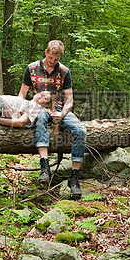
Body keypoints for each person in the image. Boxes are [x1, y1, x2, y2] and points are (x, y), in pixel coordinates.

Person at [19, 40, 86, 199]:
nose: (52, 62)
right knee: (41, 116)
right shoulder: (31, 69)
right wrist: (28, 106)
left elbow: (70, 99)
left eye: (56, 60)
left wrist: (62, 113)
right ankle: (44, 167)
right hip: (39, 109)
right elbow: (21, 95)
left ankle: (74, 178)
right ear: (45, 52)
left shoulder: (64, 71)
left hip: (59, 109)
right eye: (50, 58)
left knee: (81, 130)